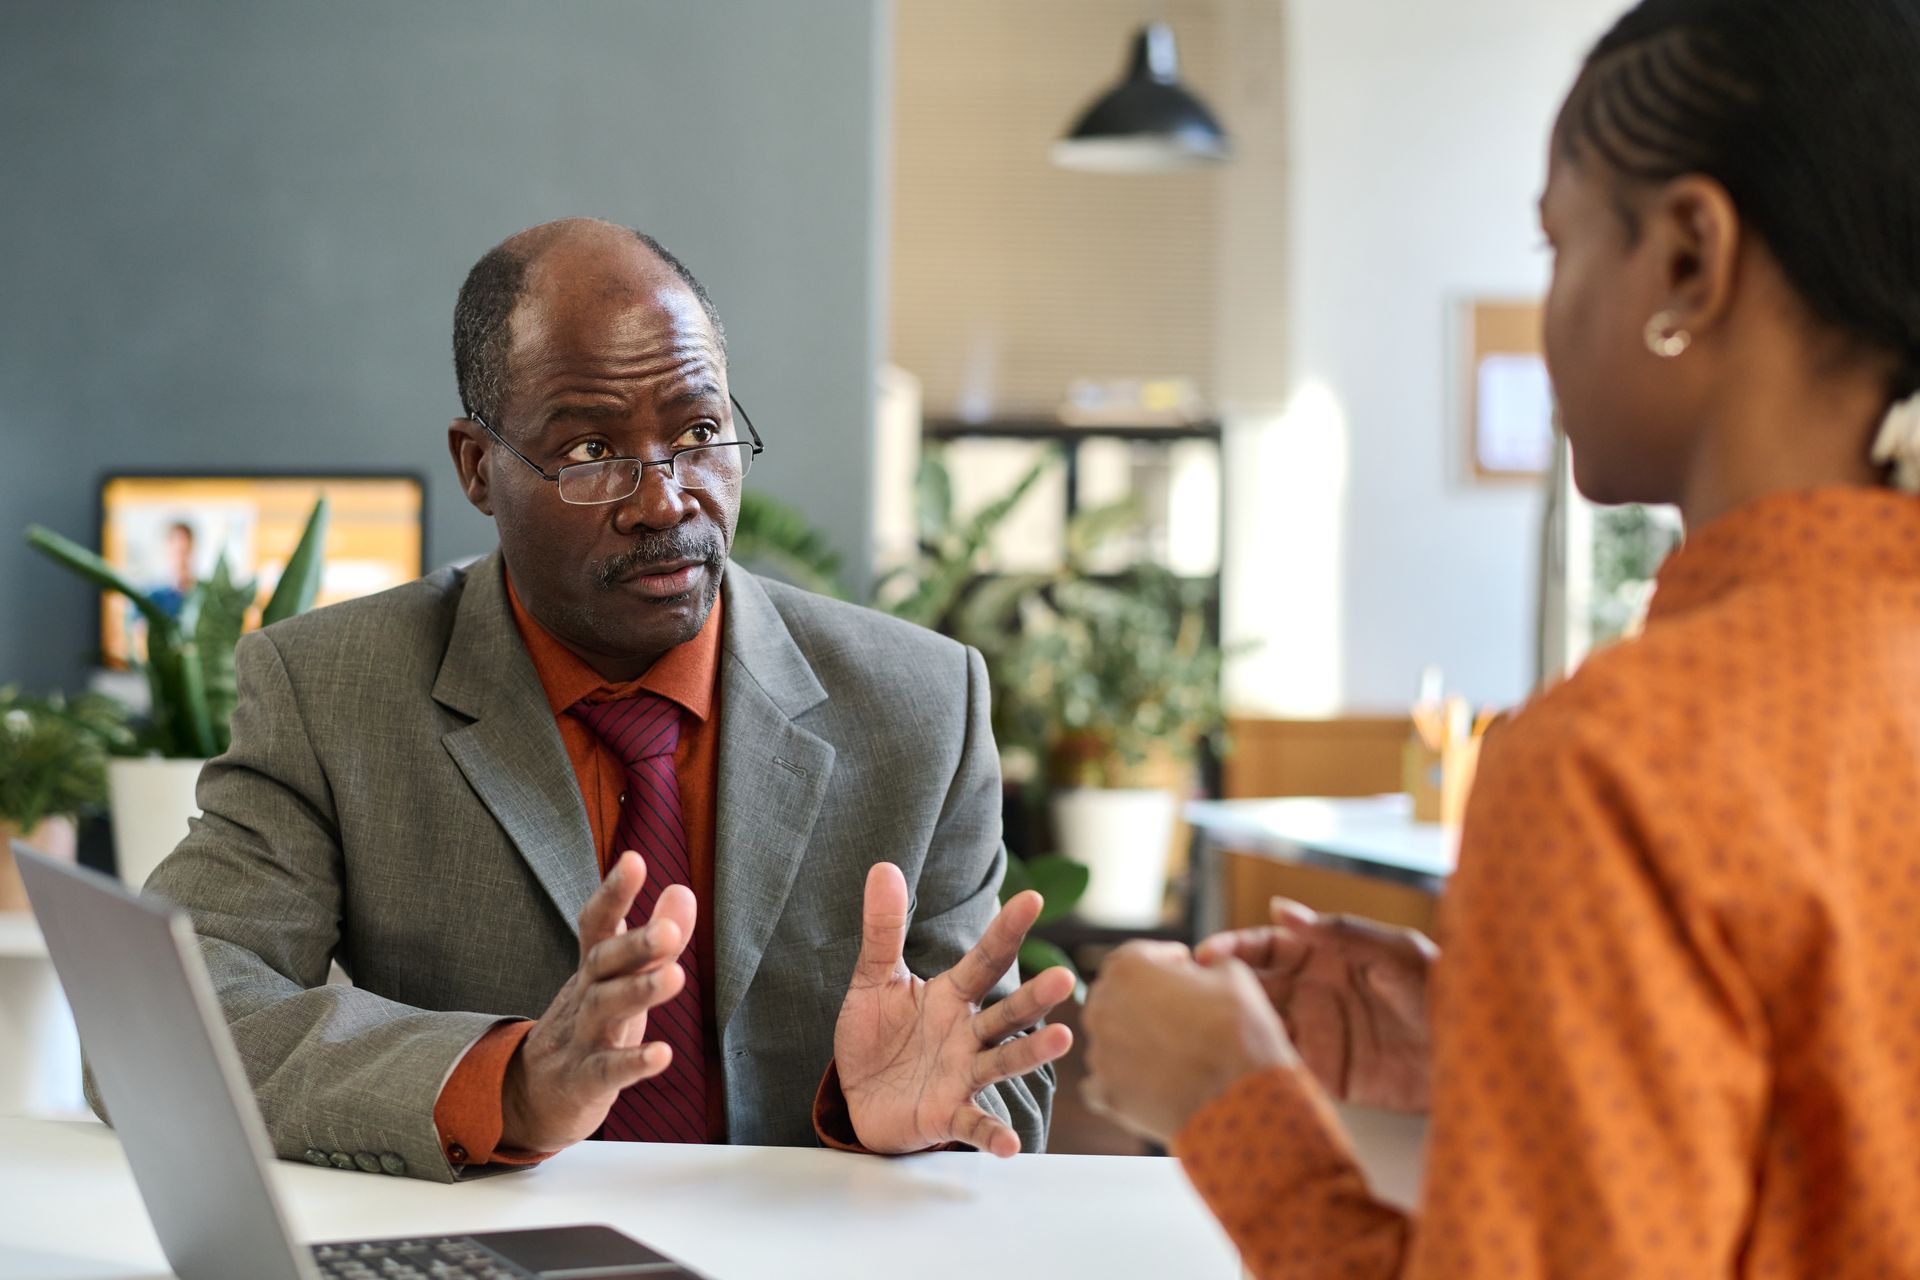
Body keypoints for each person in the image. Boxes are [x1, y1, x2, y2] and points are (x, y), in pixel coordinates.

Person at [1079, 0, 1920, 1274]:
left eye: (1559, 241)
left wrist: (1224, 1099)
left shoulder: (1621, 759)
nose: (1547, 309)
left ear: (1690, 258)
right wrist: (1505, 1034)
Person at [110, 218, 1072, 1182]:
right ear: (478, 467)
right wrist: (505, 1083)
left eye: (700, 433)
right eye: (588, 451)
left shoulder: (920, 705)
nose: (664, 500)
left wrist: (905, 1115)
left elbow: (994, 1075)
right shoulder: (333, 693)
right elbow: (155, 1020)